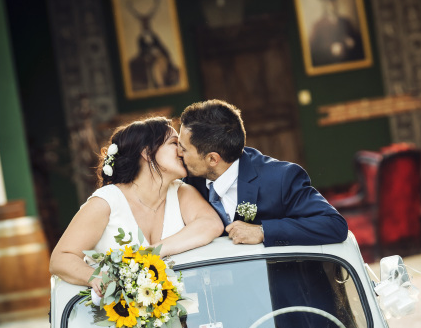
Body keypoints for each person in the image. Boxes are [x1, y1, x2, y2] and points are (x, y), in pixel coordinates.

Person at [50, 116, 224, 297]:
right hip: (118, 311)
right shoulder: (106, 203)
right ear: (147, 152)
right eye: (174, 143)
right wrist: (97, 278)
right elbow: (61, 258)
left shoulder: (182, 193)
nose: (182, 151)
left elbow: (211, 224)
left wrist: (151, 253)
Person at [178, 100, 348, 247]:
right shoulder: (189, 183)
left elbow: (334, 225)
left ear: (213, 159)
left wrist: (263, 231)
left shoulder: (282, 178)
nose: (178, 153)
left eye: (183, 149)